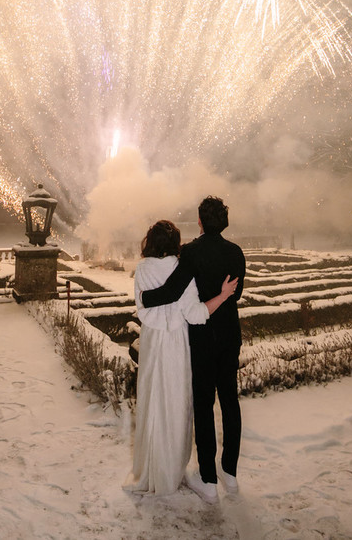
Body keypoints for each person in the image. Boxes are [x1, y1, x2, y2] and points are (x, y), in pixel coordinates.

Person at [140, 197, 245, 503]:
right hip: (229, 335)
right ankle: (231, 474)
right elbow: (236, 295)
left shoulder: (192, 252)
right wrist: (222, 294)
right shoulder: (236, 252)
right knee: (230, 402)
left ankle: (209, 481)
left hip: (202, 338)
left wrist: (145, 300)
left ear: (199, 221)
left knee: (203, 406)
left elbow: (173, 291)